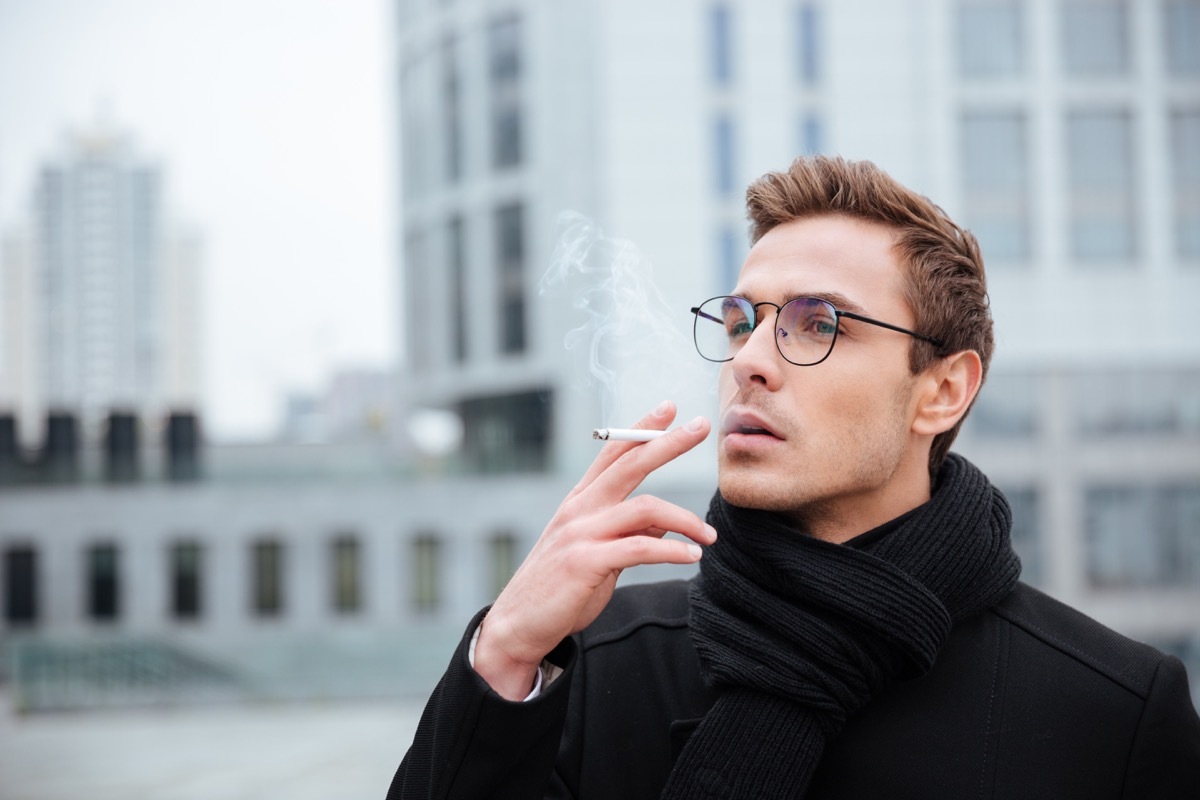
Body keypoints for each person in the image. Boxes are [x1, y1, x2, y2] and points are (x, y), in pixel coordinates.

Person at [388, 156, 1200, 799]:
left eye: (820, 324)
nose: (748, 361)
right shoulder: (597, 661)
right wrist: (502, 654)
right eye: (742, 322)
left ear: (943, 390)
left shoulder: (1110, 708)